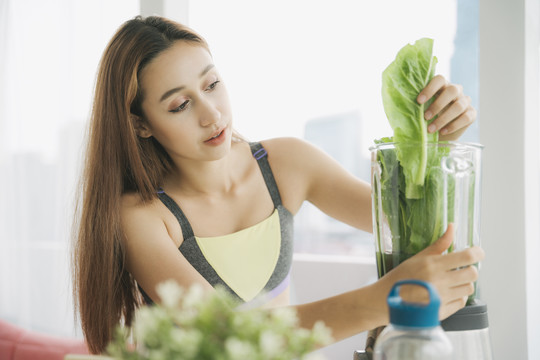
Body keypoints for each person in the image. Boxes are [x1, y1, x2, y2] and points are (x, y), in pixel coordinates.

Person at [72, 15, 484, 355]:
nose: (211, 114)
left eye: (212, 84)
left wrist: (432, 138)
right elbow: (228, 336)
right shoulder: (143, 216)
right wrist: (381, 300)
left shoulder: (286, 164)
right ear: (141, 124)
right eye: (180, 105)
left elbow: (404, 223)